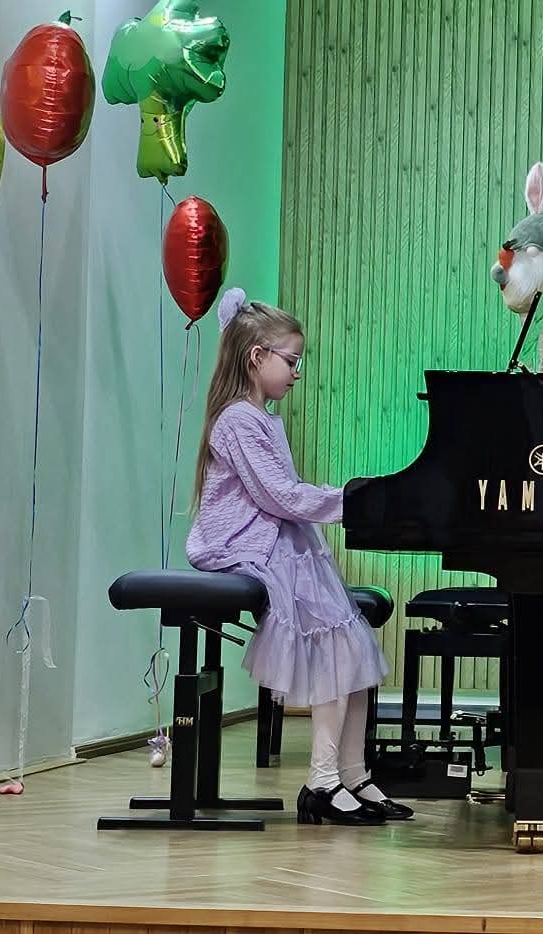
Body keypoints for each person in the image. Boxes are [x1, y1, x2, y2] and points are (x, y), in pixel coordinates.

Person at [187, 288, 411, 825]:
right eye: (291, 361)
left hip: (277, 537)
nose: (297, 372)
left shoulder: (259, 418)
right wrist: (354, 500)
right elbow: (278, 497)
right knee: (335, 646)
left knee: (353, 644)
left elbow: (282, 498)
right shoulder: (236, 420)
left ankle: (353, 774)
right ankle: (323, 781)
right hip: (244, 543)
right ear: (256, 356)